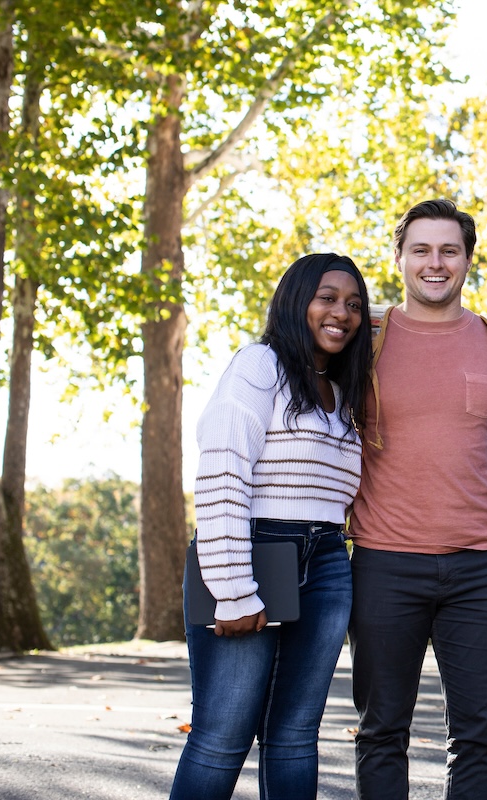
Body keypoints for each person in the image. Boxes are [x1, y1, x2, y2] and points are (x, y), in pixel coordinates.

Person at [171, 253, 373, 800]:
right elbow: (222, 471)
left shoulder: (343, 390)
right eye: (327, 298)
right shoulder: (260, 365)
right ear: (295, 300)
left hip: (329, 559)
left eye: (355, 304)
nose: (343, 313)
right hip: (255, 550)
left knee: (294, 736)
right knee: (221, 736)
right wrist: (233, 591)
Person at [347, 199, 487, 800]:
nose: (435, 262)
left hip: (483, 567)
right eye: (420, 249)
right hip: (384, 563)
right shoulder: (361, 342)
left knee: (478, 738)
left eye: (449, 250)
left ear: (468, 259)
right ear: (398, 258)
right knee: (380, 732)